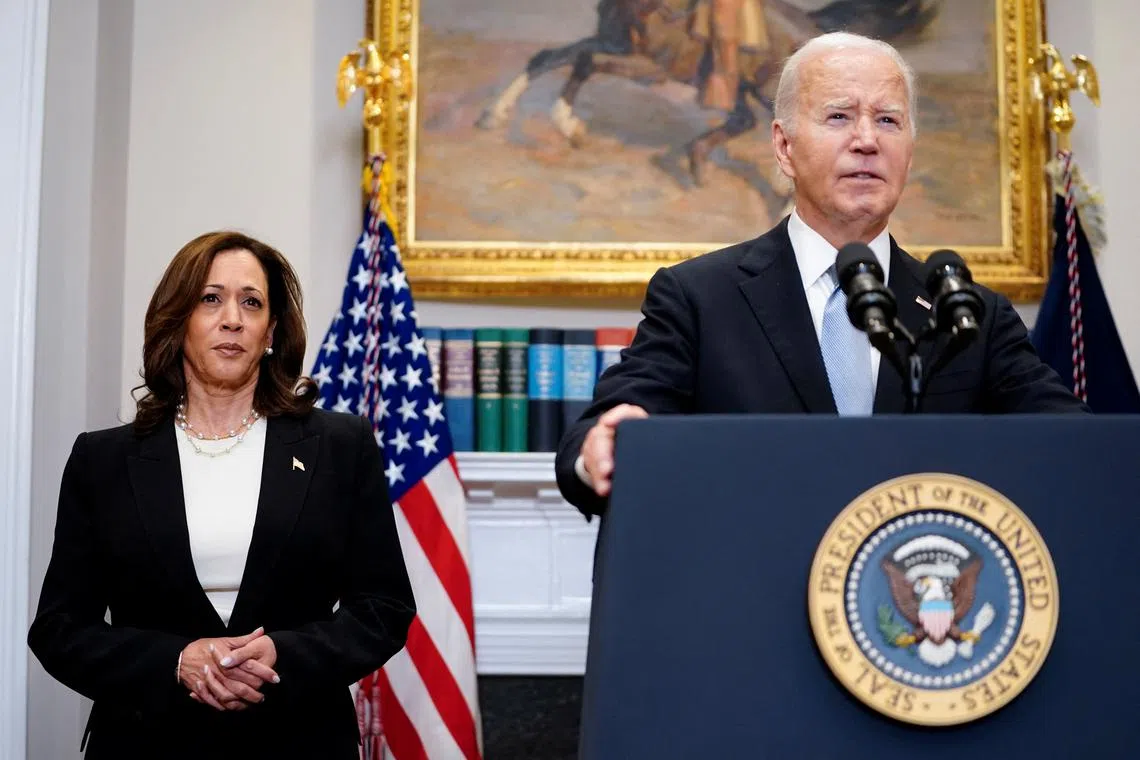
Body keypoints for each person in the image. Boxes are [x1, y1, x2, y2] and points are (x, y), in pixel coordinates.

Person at [555, 32, 1088, 518]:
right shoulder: (699, 298)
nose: (866, 141)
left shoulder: (969, 313)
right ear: (784, 147)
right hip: (751, 604)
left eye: (888, 120)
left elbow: (1074, 445)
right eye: (839, 117)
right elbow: (600, 433)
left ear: (909, 148)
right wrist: (597, 451)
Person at [28, 231, 416, 759]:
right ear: (178, 320)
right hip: (146, 741)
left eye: (251, 302)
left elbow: (383, 607)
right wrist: (174, 661)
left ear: (270, 331)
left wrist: (285, 653)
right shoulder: (103, 460)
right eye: (211, 299)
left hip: (299, 739)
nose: (232, 318)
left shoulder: (341, 447)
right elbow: (59, 629)